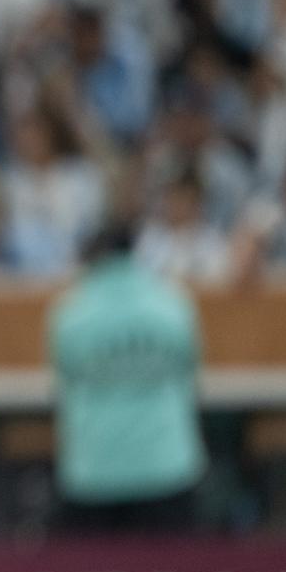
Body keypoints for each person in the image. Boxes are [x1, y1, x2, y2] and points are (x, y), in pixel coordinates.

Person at [48, 220, 206, 533]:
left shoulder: (69, 313)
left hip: (93, 468)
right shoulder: (174, 305)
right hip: (166, 463)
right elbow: (190, 370)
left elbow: (63, 379)